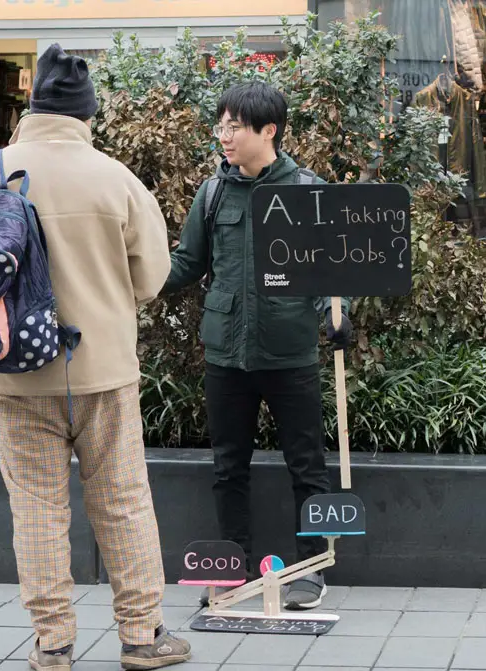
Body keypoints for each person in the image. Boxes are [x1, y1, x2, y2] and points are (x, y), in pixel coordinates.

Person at [0, 44, 191, 671]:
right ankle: (142, 636)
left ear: (31, 107)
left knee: (37, 508)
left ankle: (52, 644)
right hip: (102, 372)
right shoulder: (115, 177)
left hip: (14, 375)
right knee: (123, 498)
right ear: (86, 114)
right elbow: (153, 278)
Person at [162, 81, 352, 611]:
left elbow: (333, 273)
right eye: (220, 125)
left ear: (267, 130)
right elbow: (186, 265)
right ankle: (229, 569)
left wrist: (339, 318)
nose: (223, 136)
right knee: (228, 468)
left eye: (233, 127)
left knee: (307, 468)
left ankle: (311, 569)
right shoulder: (212, 193)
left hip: (290, 354)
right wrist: (136, 275)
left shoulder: (307, 190)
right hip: (226, 356)